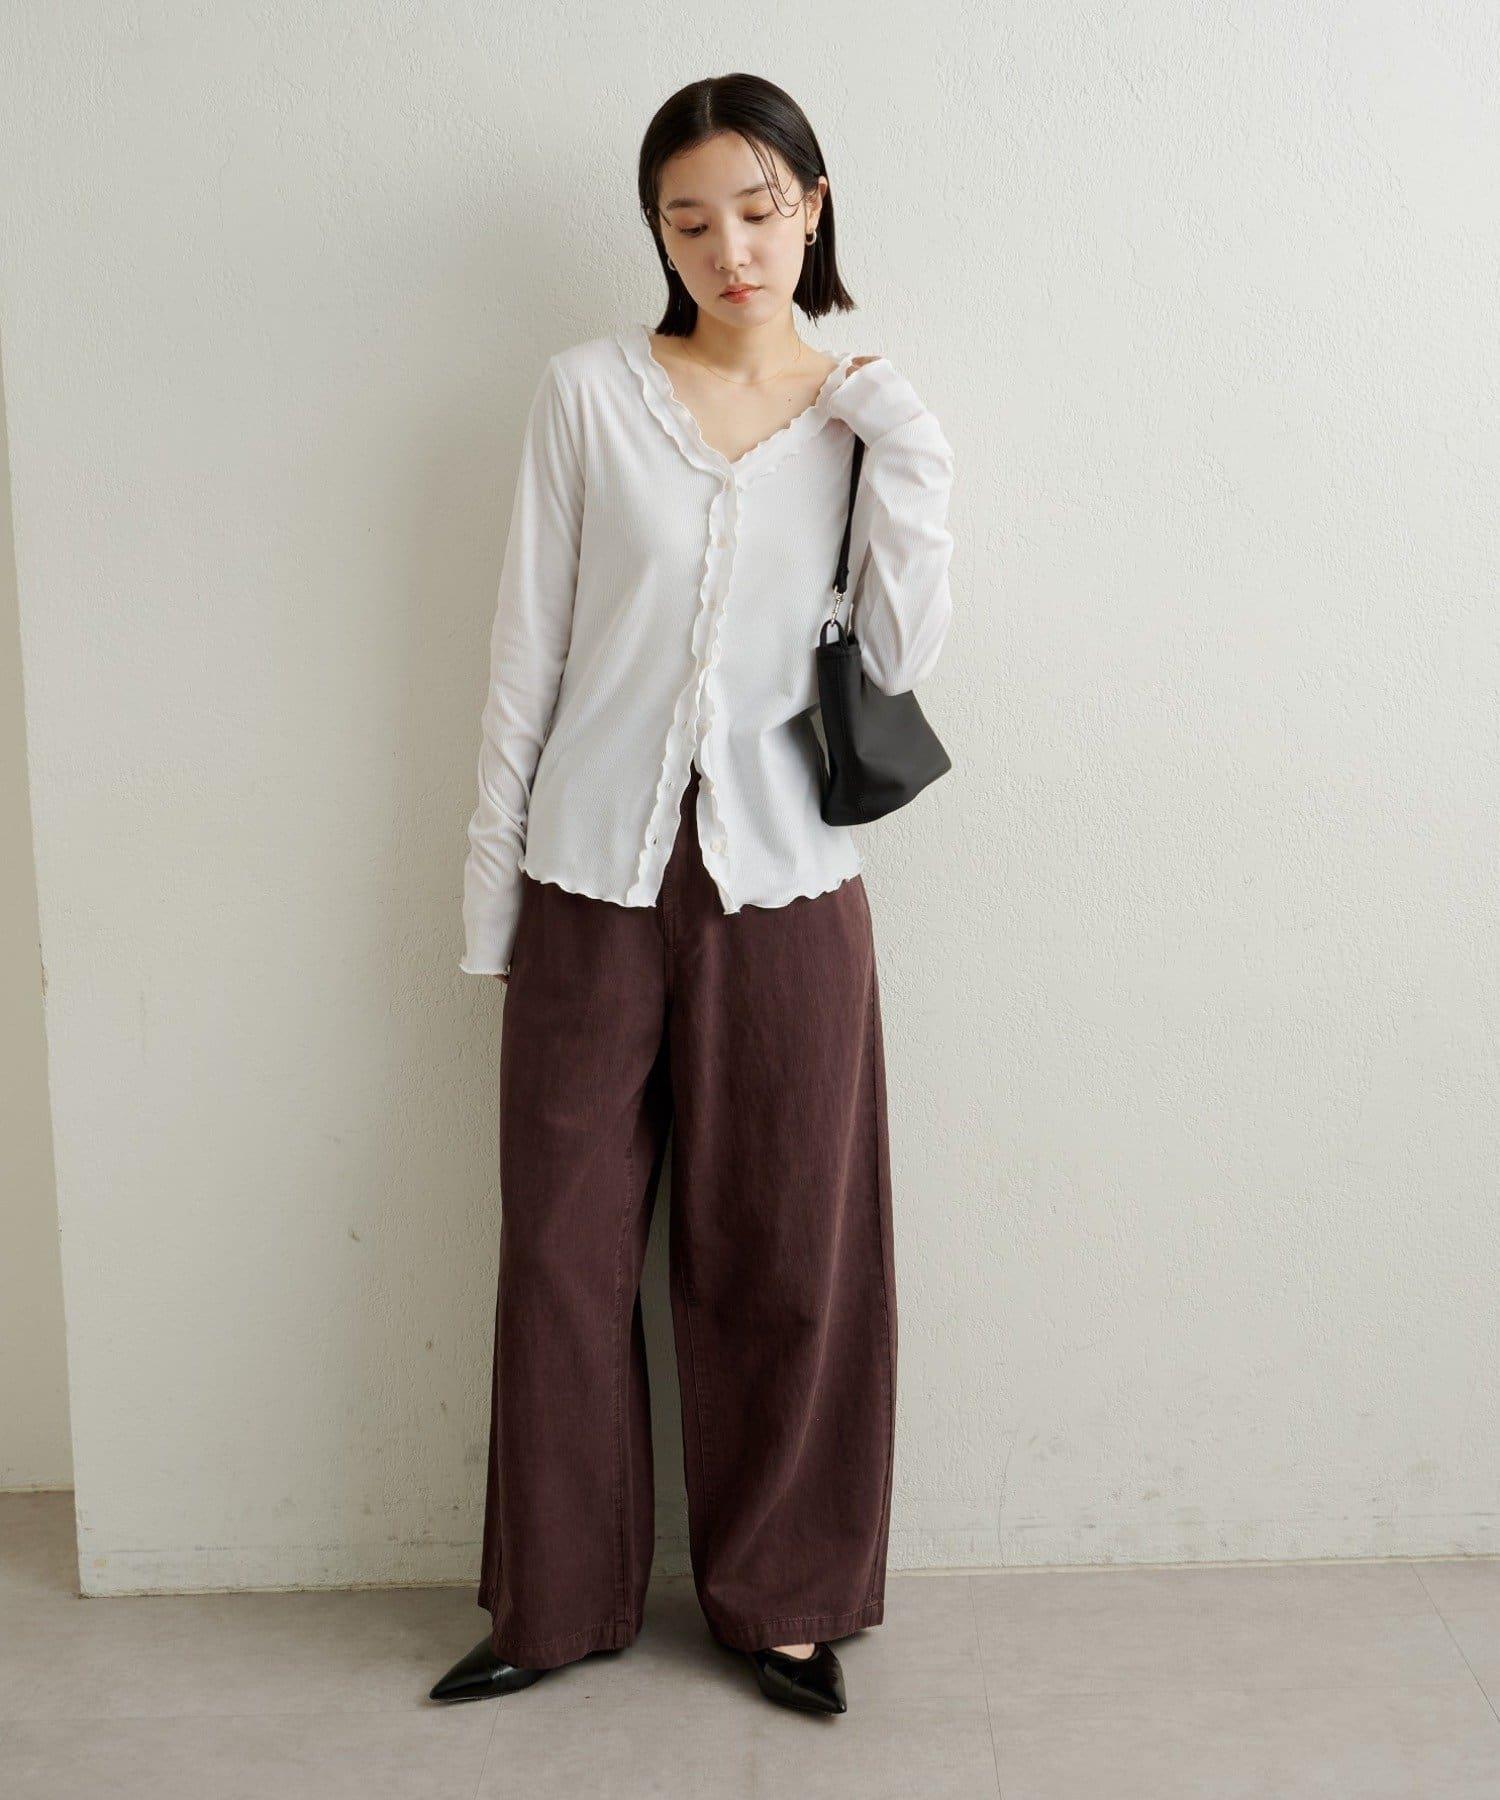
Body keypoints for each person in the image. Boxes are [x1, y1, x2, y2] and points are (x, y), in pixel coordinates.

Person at [431, 72, 955, 1718]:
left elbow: (898, 658)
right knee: (562, 1251)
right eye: (689, 218)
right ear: (656, 235)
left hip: (789, 884)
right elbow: (526, 657)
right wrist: (495, 906)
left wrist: (912, 453)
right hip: (590, 874)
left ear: (812, 205)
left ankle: (785, 1600)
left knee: (789, 1249)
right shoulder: (588, 396)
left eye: (759, 208)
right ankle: (553, 1602)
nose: (730, 246)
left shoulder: (861, 414)